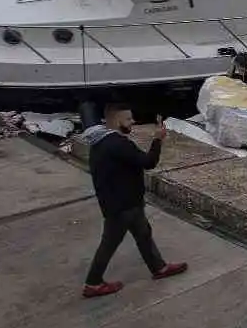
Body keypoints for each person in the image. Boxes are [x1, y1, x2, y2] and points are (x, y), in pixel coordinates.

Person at [79, 105, 186, 298]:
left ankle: (159, 267)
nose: (133, 122)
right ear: (117, 121)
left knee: (144, 234)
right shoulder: (118, 144)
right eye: (128, 119)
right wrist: (157, 139)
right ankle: (93, 283)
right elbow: (148, 162)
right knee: (109, 243)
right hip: (122, 206)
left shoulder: (99, 142)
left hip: (124, 202)